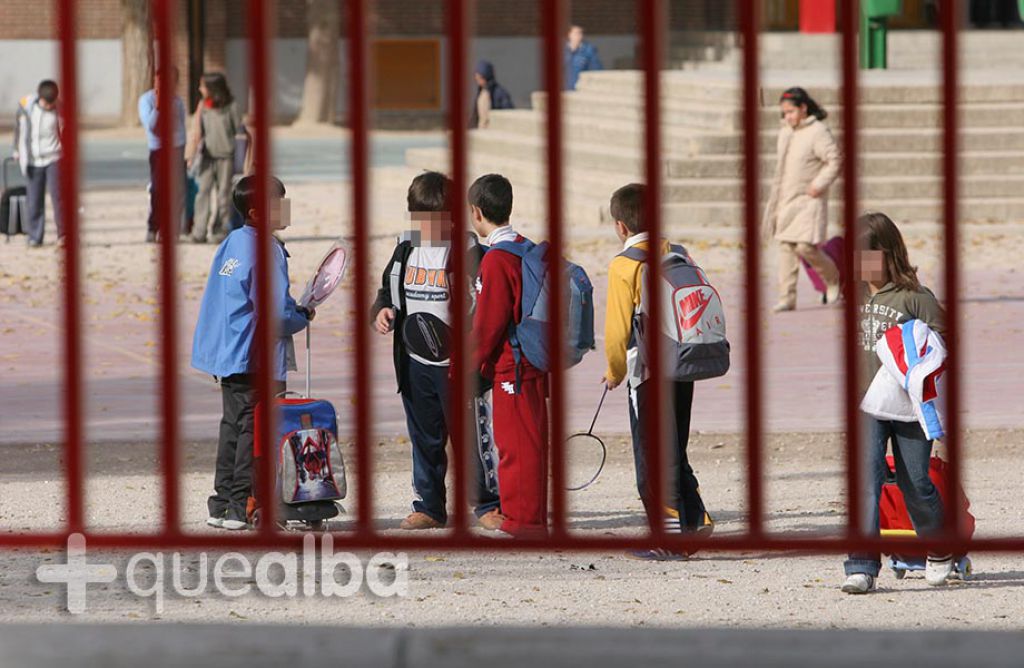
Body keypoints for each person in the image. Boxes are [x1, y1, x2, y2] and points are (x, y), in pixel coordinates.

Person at [370, 171, 503, 530]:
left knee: (471, 438)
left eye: (437, 219)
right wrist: (381, 311)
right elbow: (387, 289)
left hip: (457, 366)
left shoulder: (471, 251)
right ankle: (429, 505)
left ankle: (488, 503)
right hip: (414, 363)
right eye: (421, 219)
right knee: (424, 437)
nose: (428, 226)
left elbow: (488, 304)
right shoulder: (407, 247)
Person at [191, 175, 313, 530]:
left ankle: (222, 502)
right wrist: (300, 317)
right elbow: (275, 314)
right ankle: (240, 506)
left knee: (233, 426)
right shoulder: (267, 249)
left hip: (228, 354)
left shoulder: (233, 241)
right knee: (252, 430)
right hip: (253, 355)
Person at [600, 183, 714, 561]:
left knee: (651, 450)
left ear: (621, 225)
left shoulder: (624, 264)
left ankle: (665, 535)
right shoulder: (676, 252)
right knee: (674, 441)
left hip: (647, 370)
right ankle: (694, 517)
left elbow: (617, 329)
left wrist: (614, 371)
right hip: (683, 362)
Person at [842, 211, 951, 594]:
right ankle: (861, 565)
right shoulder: (851, 294)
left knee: (915, 483)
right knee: (866, 482)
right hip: (866, 406)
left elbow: (942, 345)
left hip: (910, 408)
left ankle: (939, 549)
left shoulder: (915, 297)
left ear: (890, 254)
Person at [468, 174, 548, 537]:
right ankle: (526, 512)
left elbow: (488, 325)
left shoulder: (496, 260)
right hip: (533, 360)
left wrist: (469, 367)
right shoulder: (525, 247)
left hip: (510, 367)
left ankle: (524, 520)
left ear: (477, 212)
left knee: (515, 445)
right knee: (529, 439)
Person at [763, 87, 842, 312]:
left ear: (803, 108)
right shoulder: (786, 131)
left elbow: (834, 160)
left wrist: (818, 185)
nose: (787, 116)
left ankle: (832, 279)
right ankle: (786, 297)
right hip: (787, 199)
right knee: (786, 246)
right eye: (784, 113)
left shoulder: (818, 131)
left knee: (806, 247)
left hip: (809, 200)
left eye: (791, 111)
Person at [188, 72, 244, 244]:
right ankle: (199, 231)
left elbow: (239, 131)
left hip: (225, 157)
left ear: (213, 88)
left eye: (203, 86)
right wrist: (191, 156)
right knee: (202, 192)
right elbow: (197, 131)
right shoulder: (203, 105)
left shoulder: (231, 106)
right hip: (207, 157)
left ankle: (219, 229)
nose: (200, 89)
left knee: (223, 194)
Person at [139, 66, 187, 243]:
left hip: (177, 148)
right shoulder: (147, 100)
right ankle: (154, 227)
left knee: (178, 191)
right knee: (158, 190)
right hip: (158, 149)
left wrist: (184, 151)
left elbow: (181, 128)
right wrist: (159, 105)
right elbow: (151, 127)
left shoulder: (177, 101)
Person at [13, 80, 63, 247]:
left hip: (54, 158)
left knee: (59, 198)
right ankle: (35, 236)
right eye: (46, 103)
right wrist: (17, 150)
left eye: (52, 103)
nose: (49, 106)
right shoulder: (27, 109)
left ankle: (64, 235)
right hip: (33, 160)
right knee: (34, 200)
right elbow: (19, 131)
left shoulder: (60, 111)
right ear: (39, 98)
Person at [470, 60, 514, 129]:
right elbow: (476, 114)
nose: (476, 78)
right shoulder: (481, 92)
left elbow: (508, 113)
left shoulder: (499, 93)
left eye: (479, 77)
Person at [564, 25, 603, 91]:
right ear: (569, 35)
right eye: (576, 33)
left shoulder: (588, 50)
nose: (579, 35)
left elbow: (596, 69)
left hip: (581, 89)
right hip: (564, 89)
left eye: (581, 33)